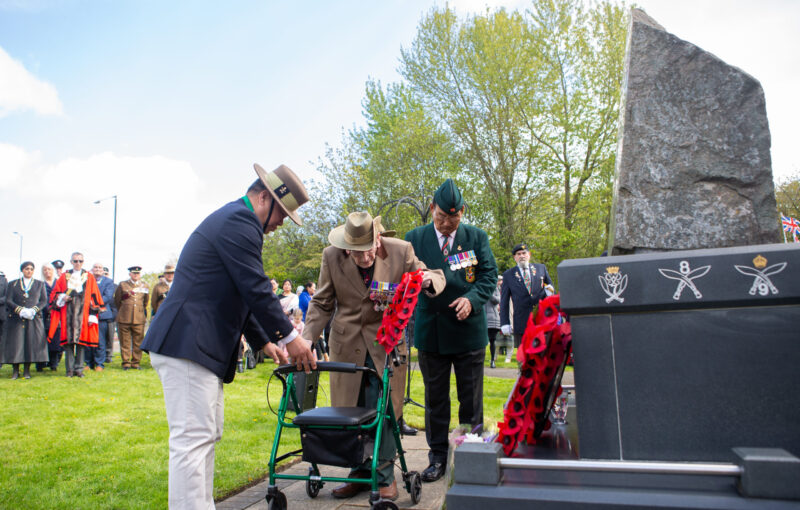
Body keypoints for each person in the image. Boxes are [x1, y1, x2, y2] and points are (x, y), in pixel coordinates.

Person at [141, 163, 317, 510]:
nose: (281, 224)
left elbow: (240, 293)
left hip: (192, 343)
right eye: (281, 214)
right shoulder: (240, 221)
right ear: (264, 196)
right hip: (187, 342)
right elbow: (254, 287)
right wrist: (288, 338)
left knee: (205, 435)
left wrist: (264, 341)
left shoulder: (237, 220)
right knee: (193, 440)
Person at [305, 211, 445, 500]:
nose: (364, 257)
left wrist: (428, 281)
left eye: (368, 250)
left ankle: (383, 477)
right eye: (356, 253)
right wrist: (306, 339)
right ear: (345, 247)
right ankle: (358, 473)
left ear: (378, 238)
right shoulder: (331, 257)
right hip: (347, 346)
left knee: (386, 411)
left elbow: (429, 272)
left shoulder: (401, 251)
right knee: (349, 412)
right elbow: (321, 303)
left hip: (387, 345)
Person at [404, 178, 497, 483]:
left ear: (462, 213)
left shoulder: (476, 238)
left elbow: (488, 275)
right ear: (432, 209)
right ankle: (438, 457)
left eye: (453, 219)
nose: (446, 225)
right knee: (436, 401)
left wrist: (472, 300)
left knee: (470, 400)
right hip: (432, 333)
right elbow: (405, 277)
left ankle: (470, 455)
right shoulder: (414, 239)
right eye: (441, 217)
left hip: (468, 332)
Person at [48, 252, 104, 378]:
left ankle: (79, 369)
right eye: (75, 261)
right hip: (67, 314)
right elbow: (55, 294)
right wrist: (62, 297)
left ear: (83, 262)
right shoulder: (64, 276)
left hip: (83, 315)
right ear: (71, 262)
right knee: (68, 344)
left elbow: (94, 296)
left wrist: (92, 315)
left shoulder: (88, 276)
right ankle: (69, 370)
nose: (78, 263)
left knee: (80, 343)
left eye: (80, 261)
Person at [499, 243, 554, 362]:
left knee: (542, 357)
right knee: (524, 359)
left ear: (529, 255)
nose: (522, 256)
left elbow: (550, 288)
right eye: (518, 254)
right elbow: (504, 301)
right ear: (515, 257)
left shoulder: (541, 268)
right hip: (521, 322)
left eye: (524, 253)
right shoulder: (508, 275)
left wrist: (549, 293)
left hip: (540, 320)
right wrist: (504, 322)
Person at [1, 262, 48, 379]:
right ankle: (15, 370)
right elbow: (9, 300)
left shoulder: (39, 284)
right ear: (22, 270)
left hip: (33, 318)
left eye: (31, 269)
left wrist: (33, 310)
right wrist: (19, 310)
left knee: (29, 344)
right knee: (16, 344)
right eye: (27, 269)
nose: (29, 271)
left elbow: (43, 301)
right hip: (17, 318)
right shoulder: (13, 284)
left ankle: (27, 370)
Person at [114, 266, 149, 370]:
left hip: (138, 317)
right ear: (130, 274)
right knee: (125, 341)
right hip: (124, 317)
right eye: (134, 273)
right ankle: (126, 362)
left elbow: (145, 302)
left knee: (138, 341)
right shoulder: (123, 284)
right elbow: (117, 300)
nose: (136, 275)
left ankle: (136, 362)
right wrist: (124, 310)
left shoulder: (145, 286)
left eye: (137, 273)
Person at [88, 262, 115, 371]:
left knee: (101, 341)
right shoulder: (87, 280)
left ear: (103, 270)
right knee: (88, 340)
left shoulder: (109, 282)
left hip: (102, 314)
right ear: (92, 269)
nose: (98, 269)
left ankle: (99, 364)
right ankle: (88, 363)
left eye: (100, 268)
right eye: (95, 267)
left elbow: (107, 297)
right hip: (88, 314)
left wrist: (93, 303)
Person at [484, 274, 502, 368]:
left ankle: (492, 360)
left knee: (492, 340)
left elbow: (497, 300)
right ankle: (480, 360)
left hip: (492, 318)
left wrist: (489, 293)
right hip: (482, 318)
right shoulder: (480, 287)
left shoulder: (494, 288)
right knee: (482, 341)